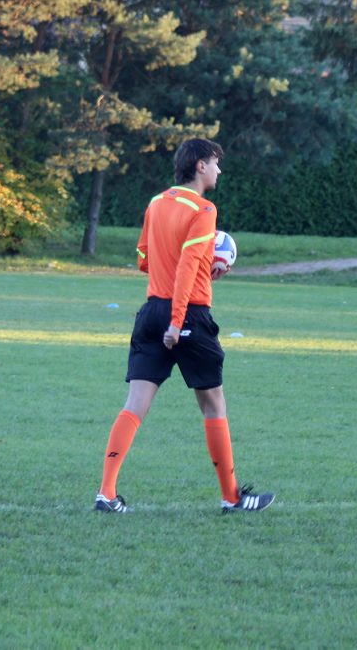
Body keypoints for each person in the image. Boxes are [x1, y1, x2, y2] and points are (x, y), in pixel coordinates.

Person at [94, 138, 274, 514]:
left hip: (151, 312)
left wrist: (180, 269)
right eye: (215, 163)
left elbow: (143, 258)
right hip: (187, 315)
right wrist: (177, 322)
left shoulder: (157, 202)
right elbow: (189, 267)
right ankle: (232, 498)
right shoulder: (204, 209)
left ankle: (106, 494)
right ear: (200, 166)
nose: (219, 170)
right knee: (213, 404)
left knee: (135, 404)